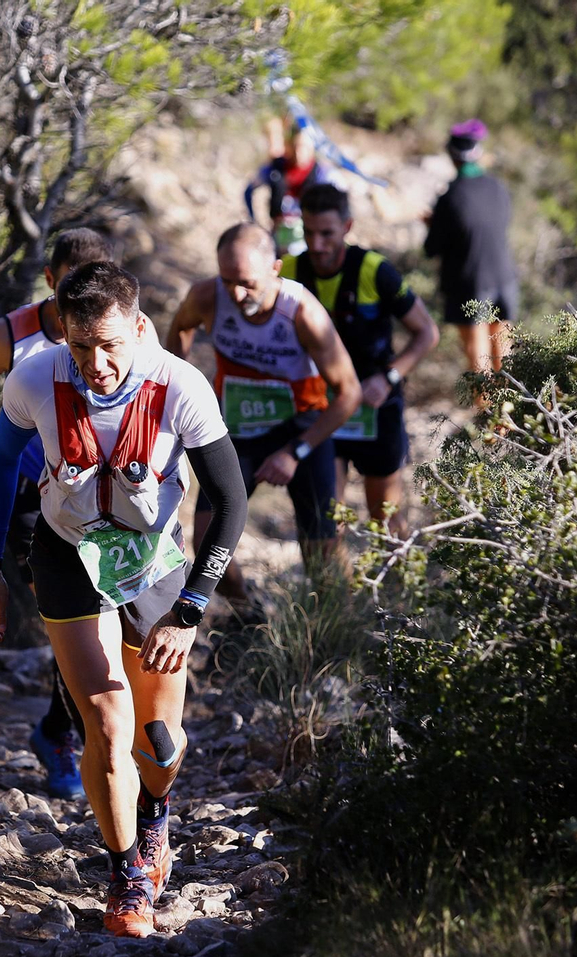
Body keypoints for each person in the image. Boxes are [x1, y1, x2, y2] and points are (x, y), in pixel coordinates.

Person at [0, 262, 248, 938]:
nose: (96, 362)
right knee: (106, 720)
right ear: (62, 335)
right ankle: (126, 875)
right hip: (68, 556)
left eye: (111, 345)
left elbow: (230, 499)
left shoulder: (179, 385)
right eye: (80, 346)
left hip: (154, 562)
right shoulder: (36, 377)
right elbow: (2, 463)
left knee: (159, 740)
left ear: (140, 328)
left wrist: (190, 609)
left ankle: (155, 817)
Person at [0, 228, 119, 799]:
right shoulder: (15, 333)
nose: (83, 295)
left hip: (95, 496)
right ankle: (68, 737)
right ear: (51, 279)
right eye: (73, 282)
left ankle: (58, 729)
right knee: (69, 619)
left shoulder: (115, 334)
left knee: (85, 622)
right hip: (27, 495)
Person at [166, 223, 361, 606]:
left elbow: (349, 393)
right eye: (227, 280)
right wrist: (178, 384)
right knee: (206, 540)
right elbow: (180, 328)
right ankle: (246, 611)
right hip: (236, 431)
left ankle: (337, 625)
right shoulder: (207, 296)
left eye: (247, 283)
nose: (236, 294)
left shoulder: (303, 312)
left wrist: (294, 452)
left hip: (301, 430)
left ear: (276, 267)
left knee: (322, 547)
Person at [287, 183, 440, 533]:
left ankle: (396, 584)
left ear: (347, 227)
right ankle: (335, 588)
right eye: (308, 233)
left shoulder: (374, 270)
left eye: (327, 233)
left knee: (384, 517)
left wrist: (388, 379)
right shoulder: (290, 271)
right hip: (323, 408)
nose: (317, 244)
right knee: (328, 517)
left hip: (376, 406)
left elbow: (427, 333)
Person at [422, 119, 517, 411]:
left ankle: (488, 418)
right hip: (505, 277)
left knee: (479, 355)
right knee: (505, 352)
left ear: (451, 155)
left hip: (470, 282)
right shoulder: (497, 188)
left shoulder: (449, 197)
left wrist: (432, 223)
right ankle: (513, 413)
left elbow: (432, 249)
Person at [244, 117, 335, 257]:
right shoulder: (276, 168)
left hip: (306, 238)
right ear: (289, 145)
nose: (299, 152)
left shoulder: (321, 173)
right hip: (278, 236)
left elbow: (339, 198)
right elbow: (249, 191)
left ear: (312, 148)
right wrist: (255, 221)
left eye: (304, 147)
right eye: (296, 146)